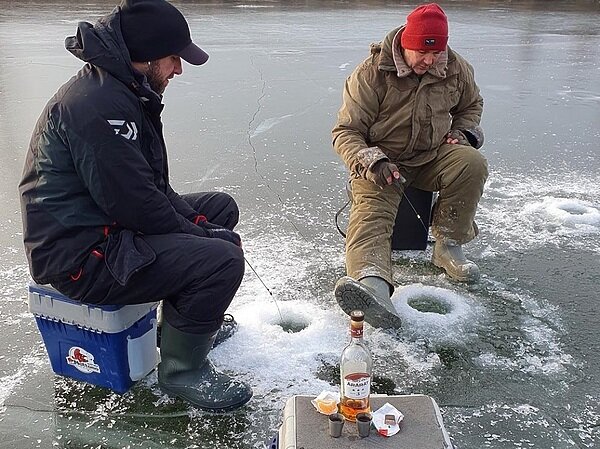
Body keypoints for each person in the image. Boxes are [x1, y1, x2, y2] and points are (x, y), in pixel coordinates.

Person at [18, 0, 252, 412]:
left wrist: (201, 222)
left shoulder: (123, 89)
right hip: (81, 255)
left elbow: (151, 188)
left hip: (107, 224)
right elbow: (138, 206)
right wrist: (203, 237)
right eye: (174, 58)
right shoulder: (96, 106)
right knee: (222, 259)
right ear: (144, 57)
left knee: (220, 209)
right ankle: (182, 371)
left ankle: (174, 330)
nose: (178, 70)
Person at [332, 3, 488, 328]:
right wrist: (372, 162)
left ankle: (448, 243)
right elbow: (346, 132)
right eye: (422, 53)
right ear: (406, 42)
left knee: (471, 163)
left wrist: (463, 132)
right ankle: (372, 285)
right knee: (371, 218)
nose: (430, 61)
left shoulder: (456, 67)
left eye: (436, 53)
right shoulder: (371, 73)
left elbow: (472, 104)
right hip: (382, 164)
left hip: (432, 156)